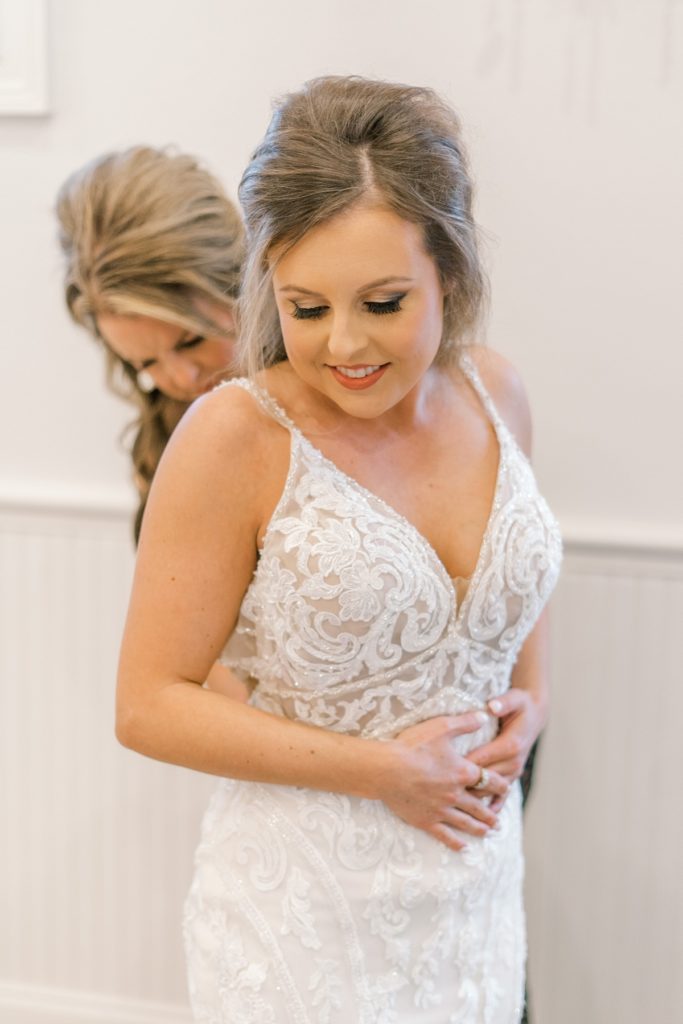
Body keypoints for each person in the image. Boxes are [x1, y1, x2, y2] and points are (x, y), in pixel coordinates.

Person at [115, 77, 562, 1023]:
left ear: (451, 269)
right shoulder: (236, 435)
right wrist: (381, 771)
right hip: (305, 916)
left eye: (383, 301)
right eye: (305, 308)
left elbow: (516, 574)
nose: (345, 344)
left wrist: (532, 701)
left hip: (475, 889)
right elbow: (148, 705)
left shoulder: (497, 391)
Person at [56, 145, 244, 542]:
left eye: (191, 340)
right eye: (145, 364)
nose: (182, 378)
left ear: (239, 281)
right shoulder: (168, 432)